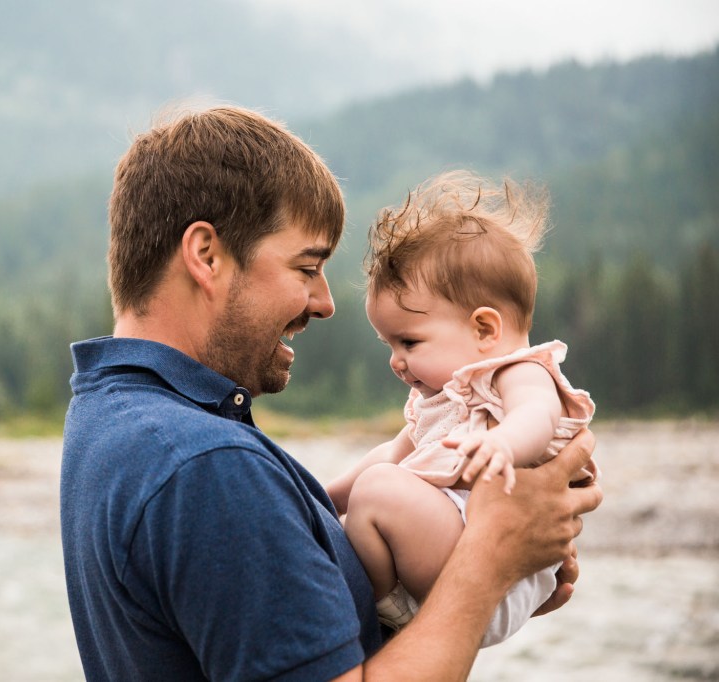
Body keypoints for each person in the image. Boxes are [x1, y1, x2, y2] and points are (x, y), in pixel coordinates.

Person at [59, 107, 602, 680]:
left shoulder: (108, 417)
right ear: (207, 256)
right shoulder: (206, 466)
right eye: (306, 267)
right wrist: (488, 560)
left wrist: (500, 568)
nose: (325, 302)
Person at [327, 170, 598, 648]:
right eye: (388, 344)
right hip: (454, 563)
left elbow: (537, 416)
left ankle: (397, 616)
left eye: (408, 341)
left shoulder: (519, 372)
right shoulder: (439, 400)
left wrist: (501, 443)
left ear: (484, 330)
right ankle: (394, 611)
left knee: (378, 492)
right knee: (355, 515)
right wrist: (326, 496)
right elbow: (393, 451)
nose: (396, 360)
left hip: (498, 573)